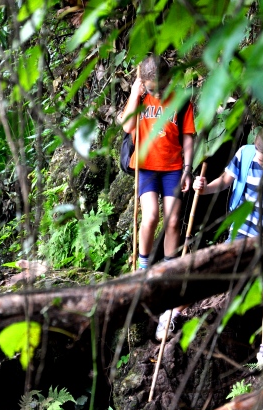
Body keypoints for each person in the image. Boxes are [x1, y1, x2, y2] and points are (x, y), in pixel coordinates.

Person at [193, 128, 263, 367]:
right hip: (244, 231)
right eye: (259, 157)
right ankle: (177, 310)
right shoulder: (245, 154)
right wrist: (205, 187)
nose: (260, 162)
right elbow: (224, 181)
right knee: (216, 272)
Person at [116, 56, 196, 340]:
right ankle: (144, 267)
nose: (158, 92)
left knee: (174, 220)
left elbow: (188, 135)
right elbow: (127, 127)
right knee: (150, 215)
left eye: (160, 86)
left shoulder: (181, 100)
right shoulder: (141, 96)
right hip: (146, 166)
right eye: (152, 87)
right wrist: (136, 92)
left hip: (174, 167)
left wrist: (188, 167)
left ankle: (171, 266)